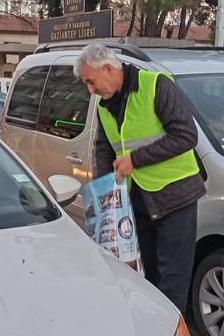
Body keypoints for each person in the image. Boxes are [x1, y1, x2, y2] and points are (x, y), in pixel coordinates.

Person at [74, 44, 205, 311]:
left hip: (174, 198)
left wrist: (135, 160)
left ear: (109, 69)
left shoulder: (155, 86)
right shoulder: (104, 104)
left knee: (173, 281)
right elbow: (104, 146)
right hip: (138, 202)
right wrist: (106, 188)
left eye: (91, 81)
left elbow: (186, 136)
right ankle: (153, 332)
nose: (90, 90)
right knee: (148, 278)